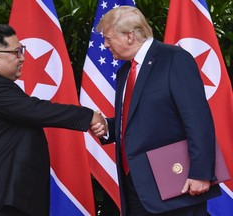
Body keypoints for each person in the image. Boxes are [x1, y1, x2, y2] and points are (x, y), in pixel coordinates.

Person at [0, 24, 106, 216]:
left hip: (5, 199)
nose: (22, 57)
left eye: (21, 50)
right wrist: (88, 116)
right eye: (15, 52)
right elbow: (36, 110)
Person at [91, 6, 221, 216]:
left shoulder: (174, 59)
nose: (105, 45)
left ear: (129, 36)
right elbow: (138, 119)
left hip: (176, 184)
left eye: (108, 38)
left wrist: (201, 173)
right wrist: (107, 126)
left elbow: (198, 119)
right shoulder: (125, 70)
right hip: (136, 186)